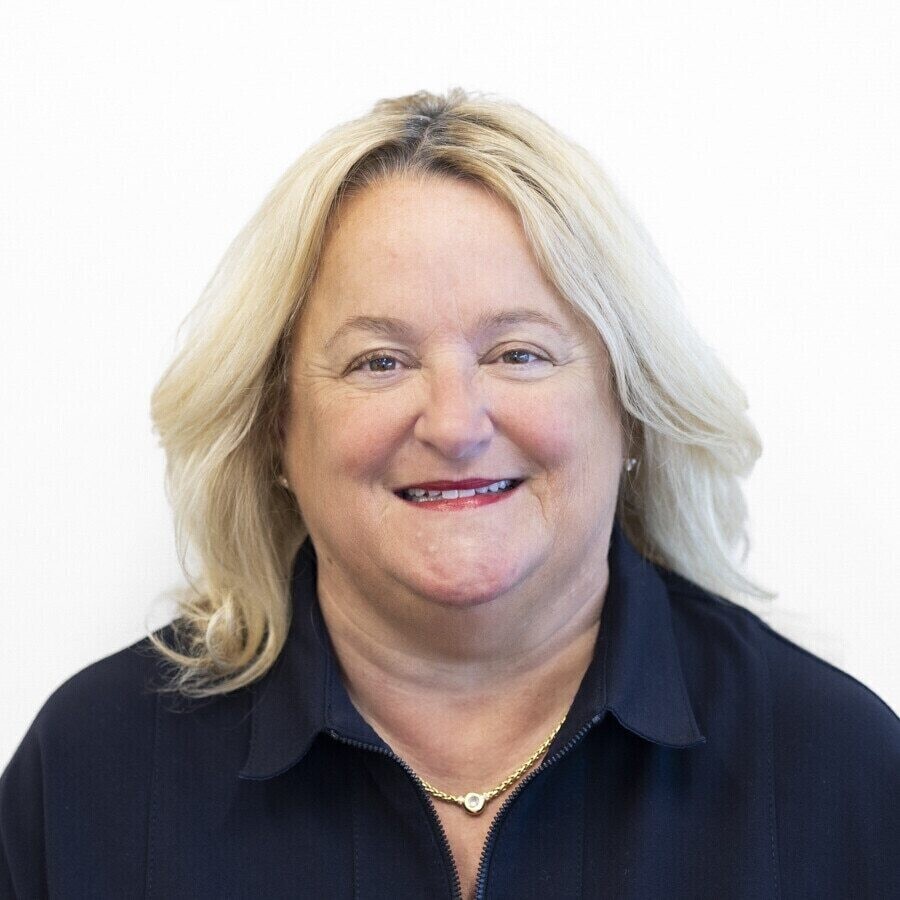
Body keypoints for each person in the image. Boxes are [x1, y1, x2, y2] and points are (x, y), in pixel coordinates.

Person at [1, 88, 897, 900]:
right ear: (278, 426)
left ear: (630, 407)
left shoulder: (841, 776)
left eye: (520, 354)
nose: (456, 424)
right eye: (379, 362)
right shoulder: (91, 779)